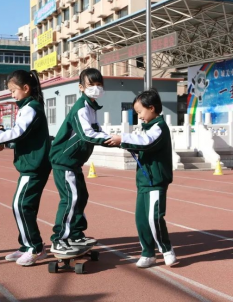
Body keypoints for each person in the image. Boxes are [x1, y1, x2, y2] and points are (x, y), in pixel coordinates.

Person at [0, 70, 51, 266]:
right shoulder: (27, 107)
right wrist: (3, 138)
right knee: (23, 206)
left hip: (34, 166)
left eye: (13, 91)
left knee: (21, 206)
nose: (11, 95)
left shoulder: (31, 108)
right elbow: (21, 135)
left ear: (26, 89)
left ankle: (35, 247)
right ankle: (27, 245)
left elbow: (18, 132)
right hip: (31, 165)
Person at [107, 89, 176, 268]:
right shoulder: (147, 128)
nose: (139, 116)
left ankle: (166, 249)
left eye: (140, 112)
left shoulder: (159, 127)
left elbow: (146, 142)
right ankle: (148, 253)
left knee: (154, 218)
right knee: (141, 219)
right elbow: (140, 142)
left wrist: (122, 139)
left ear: (152, 108)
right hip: (145, 181)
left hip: (156, 181)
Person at [49, 68, 113, 256]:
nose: (96, 88)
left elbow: (99, 132)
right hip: (64, 160)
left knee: (81, 196)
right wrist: (112, 140)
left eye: (99, 84)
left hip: (75, 162)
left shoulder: (92, 108)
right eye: (91, 85)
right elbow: (87, 134)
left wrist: (119, 141)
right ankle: (59, 239)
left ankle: (75, 234)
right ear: (81, 87)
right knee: (70, 198)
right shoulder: (81, 108)